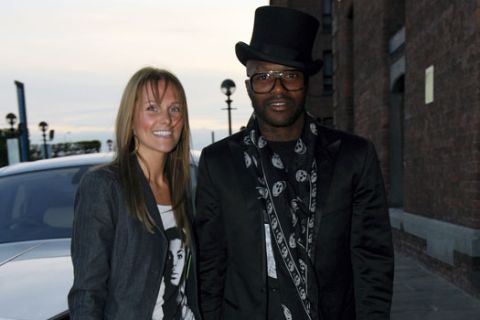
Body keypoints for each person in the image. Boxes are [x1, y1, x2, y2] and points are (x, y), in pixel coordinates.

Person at [194, 6, 394, 320]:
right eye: (263, 77)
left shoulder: (354, 157)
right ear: (248, 87)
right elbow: (210, 266)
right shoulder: (218, 163)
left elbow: (373, 262)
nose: (277, 89)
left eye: (289, 76)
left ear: (305, 84)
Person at [68, 67, 200, 319]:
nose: (167, 119)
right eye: (153, 108)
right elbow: (87, 293)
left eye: (175, 109)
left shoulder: (186, 187)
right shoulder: (105, 186)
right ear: (130, 118)